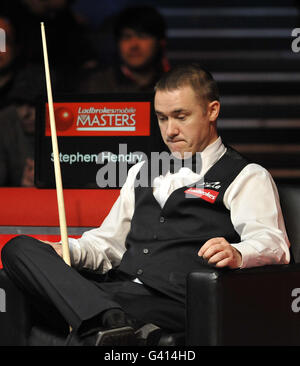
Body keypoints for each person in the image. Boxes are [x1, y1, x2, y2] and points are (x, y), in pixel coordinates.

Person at [1, 64, 290, 346]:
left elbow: (272, 242)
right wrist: (68, 250)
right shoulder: (143, 171)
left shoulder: (246, 175)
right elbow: (108, 244)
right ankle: (109, 321)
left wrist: (238, 252)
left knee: (79, 319)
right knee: (18, 248)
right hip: (116, 293)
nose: (170, 130)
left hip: (173, 302)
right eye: (162, 118)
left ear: (212, 110)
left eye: (181, 116)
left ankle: (102, 321)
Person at [78, 5, 170, 93]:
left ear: (160, 42)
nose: (134, 45)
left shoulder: (174, 84)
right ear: (117, 43)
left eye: (142, 36)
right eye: (126, 37)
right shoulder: (95, 85)